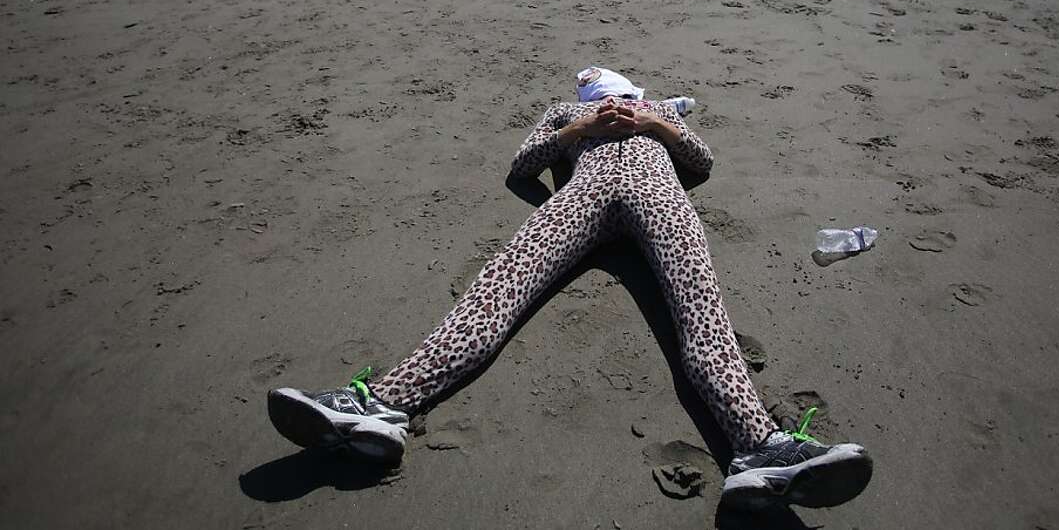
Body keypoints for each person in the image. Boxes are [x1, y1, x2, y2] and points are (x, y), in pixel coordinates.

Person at [264, 67, 874, 510]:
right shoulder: (565, 115)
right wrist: (577, 125)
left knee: (702, 317)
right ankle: (381, 407)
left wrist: (654, 122)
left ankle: (758, 450)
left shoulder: (657, 111)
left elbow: (702, 160)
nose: (608, 99)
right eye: (597, 95)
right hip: (580, 198)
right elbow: (523, 163)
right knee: (493, 294)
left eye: (615, 94)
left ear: (635, 92)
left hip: (659, 198)